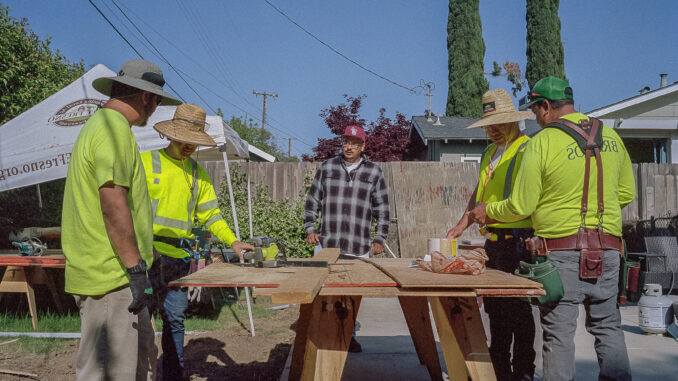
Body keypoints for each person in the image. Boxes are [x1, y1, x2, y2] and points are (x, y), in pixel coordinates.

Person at [469, 77, 635, 381]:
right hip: (609, 250)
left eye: (535, 111)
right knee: (608, 327)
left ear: (545, 106)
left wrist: (487, 211)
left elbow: (521, 205)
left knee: (558, 334)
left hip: (561, 252)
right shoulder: (611, 136)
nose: (535, 118)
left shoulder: (543, 142)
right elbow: (626, 194)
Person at [62, 59, 181, 380]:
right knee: (109, 373)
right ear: (147, 97)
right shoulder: (111, 130)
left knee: (137, 366)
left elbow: (125, 206)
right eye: (157, 101)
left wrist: (147, 258)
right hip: (110, 278)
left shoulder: (108, 129)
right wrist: (135, 269)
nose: (155, 109)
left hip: (117, 277)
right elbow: (113, 205)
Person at [141, 103, 254, 381]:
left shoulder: (198, 174)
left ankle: (173, 376)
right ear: (172, 135)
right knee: (140, 322)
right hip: (146, 256)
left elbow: (212, 215)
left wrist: (233, 241)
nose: (190, 145)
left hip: (178, 261)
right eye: (186, 139)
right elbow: (127, 209)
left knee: (175, 320)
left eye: (195, 141)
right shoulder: (144, 162)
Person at [447, 88, 536, 381]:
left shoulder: (527, 150)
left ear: (514, 120)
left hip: (519, 239)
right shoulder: (488, 153)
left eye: (499, 123)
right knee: (496, 310)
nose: (493, 130)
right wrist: (462, 223)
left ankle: (523, 370)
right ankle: (499, 370)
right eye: (489, 125)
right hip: (494, 243)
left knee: (518, 310)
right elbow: (479, 192)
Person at [303, 124, 390, 352]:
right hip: (326, 244)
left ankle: (348, 334)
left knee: (352, 296)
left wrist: (379, 238)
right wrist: (310, 228)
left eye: (354, 143)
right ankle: (321, 334)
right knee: (322, 293)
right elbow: (312, 201)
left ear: (363, 146)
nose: (348, 146)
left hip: (358, 244)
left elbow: (382, 209)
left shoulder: (374, 172)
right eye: (345, 141)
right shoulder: (327, 167)